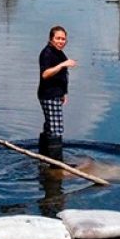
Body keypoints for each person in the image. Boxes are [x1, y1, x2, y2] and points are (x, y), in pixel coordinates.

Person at [37, 25, 76, 158]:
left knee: (50, 126)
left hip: (57, 94)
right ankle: (55, 163)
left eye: (63, 39)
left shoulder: (59, 53)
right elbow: (45, 74)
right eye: (58, 38)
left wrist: (64, 93)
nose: (61, 41)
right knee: (56, 129)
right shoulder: (47, 53)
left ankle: (44, 155)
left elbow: (63, 75)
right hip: (48, 95)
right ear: (51, 39)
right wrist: (62, 65)